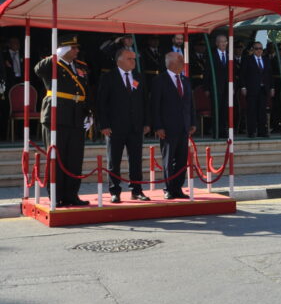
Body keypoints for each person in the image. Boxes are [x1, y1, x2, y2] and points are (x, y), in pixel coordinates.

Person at [35, 36, 91, 208]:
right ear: (63, 49)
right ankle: (56, 196)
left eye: (76, 48)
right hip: (57, 116)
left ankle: (71, 195)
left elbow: (86, 90)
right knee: (56, 157)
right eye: (73, 48)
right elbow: (38, 69)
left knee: (74, 159)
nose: (77, 51)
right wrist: (55, 55)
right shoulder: (52, 65)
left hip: (76, 116)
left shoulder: (81, 66)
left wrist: (89, 112)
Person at [97, 47, 150, 203]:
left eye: (134, 58)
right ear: (119, 60)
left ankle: (137, 190)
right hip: (115, 128)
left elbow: (145, 102)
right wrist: (104, 125)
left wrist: (147, 122)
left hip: (135, 127)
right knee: (114, 161)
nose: (133, 62)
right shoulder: (108, 77)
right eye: (130, 59)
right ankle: (115, 191)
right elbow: (101, 103)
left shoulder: (138, 77)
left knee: (136, 160)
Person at [150, 51, 196, 200]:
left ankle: (178, 188)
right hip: (168, 127)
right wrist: (158, 126)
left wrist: (193, 123)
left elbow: (190, 104)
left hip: (184, 126)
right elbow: (155, 106)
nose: (183, 63)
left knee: (182, 160)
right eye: (180, 60)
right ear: (171, 63)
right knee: (168, 160)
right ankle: (168, 188)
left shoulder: (185, 80)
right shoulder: (160, 80)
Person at [240, 41, 272, 138]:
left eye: (260, 48)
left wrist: (272, 87)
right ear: (253, 50)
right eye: (256, 48)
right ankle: (252, 131)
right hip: (251, 89)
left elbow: (269, 75)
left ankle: (262, 131)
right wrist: (243, 86)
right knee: (252, 110)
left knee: (262, 111)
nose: (259, 50)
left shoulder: (266, 60)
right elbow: (242, 74)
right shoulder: (247, 59)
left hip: (263, 89)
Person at [211, 33, 231, 138]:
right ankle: (216, 132)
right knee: (216, 110)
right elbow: (207, 72)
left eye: (225, 41)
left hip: (227, 87)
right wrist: (207, 88)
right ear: (217, 43)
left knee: (224, 110)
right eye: (221, 42)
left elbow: (233, 72)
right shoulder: (211, 55)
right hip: (216, 87)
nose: (224, 44)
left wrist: (232, 86)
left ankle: (223, 132)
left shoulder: (229, 55)